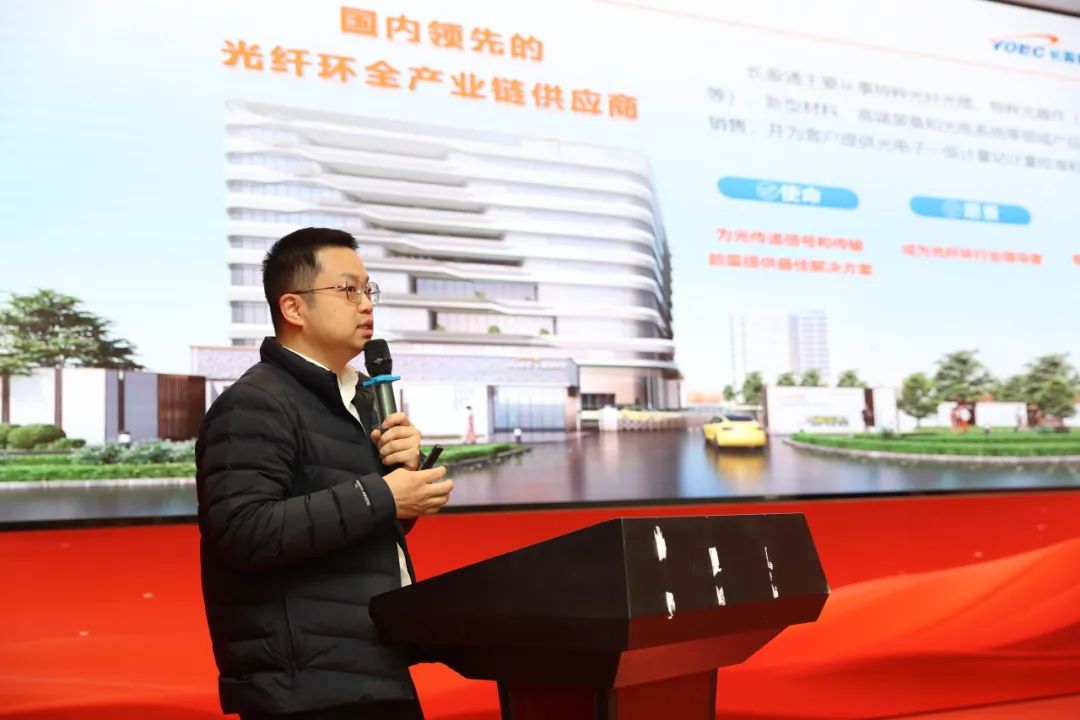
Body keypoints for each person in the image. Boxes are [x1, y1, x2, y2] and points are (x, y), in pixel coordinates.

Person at [196, 228, 453, 720]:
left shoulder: (358, 397)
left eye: (368, 290)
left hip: (366, 661)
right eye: (348, 290)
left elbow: (353, 525)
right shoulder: (254, 403)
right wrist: (383, 495)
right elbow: (243, 532)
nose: (366, 304)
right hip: (306, 684)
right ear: (294, 308)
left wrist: (405, 482)